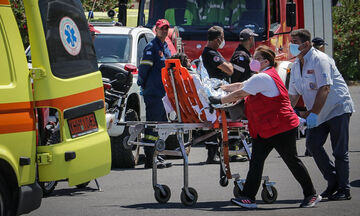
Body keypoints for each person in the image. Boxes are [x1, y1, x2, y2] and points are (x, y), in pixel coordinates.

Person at [209, 45, 321, 209]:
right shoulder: (263, 75)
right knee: (256, 162)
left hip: (281, 127)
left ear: (266, 61)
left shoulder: (262, 78)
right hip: (268, 128)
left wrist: (219, 101)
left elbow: (241, 93)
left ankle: (311, 194)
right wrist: (223, 88)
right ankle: (247, 197)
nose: (253, 61)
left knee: (292, 161)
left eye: (256, 58)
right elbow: (241, 85)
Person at [288, 29, 355, 200]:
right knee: (312, 145)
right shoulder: (295, 65)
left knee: (339, 151)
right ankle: (333, 181)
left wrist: (313, 114)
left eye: (295, 41)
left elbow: (325, 88)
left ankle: (344, 189)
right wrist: (287, 113)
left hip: (337, 108)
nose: (291, 45)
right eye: (291, 41)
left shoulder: (320, 59)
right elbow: (293, 96)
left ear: (306, 44)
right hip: (317, 111)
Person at [137, 19, 173, 169]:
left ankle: (158, 154)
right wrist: (143, 84)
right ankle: (150, 158)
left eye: (166, 29)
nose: (164, 31)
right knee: (152, 126)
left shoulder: (165, 46)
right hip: (153, 93)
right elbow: (144, 69)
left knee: (161, 125)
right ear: (156, 30)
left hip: (163, 94)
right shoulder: (151, 47)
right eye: (161, 29)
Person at [201, 26, 233, 164]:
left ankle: (216, 152)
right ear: (218, 39)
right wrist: (228, 65)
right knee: (216, 122)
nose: (223, 40)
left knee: (217, 122)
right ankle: (212, 154)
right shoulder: (211, 54)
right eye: (222, 37)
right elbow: (229, 70)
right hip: (216, 90)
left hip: (217, 90)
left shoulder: (213, 52)